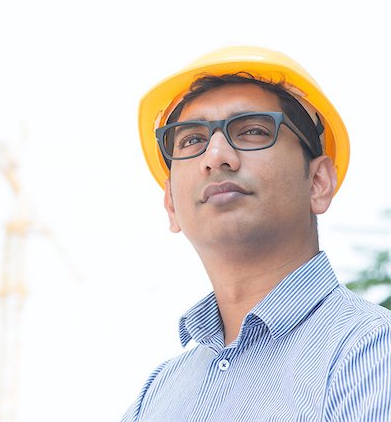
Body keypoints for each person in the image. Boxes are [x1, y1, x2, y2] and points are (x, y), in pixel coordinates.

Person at [122, 47, 391, 421]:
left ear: (317, 182)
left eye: (252, 131)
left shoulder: (372, 352)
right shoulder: (156, 395)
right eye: (191, 141)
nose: (216, 155)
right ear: (171, 204)